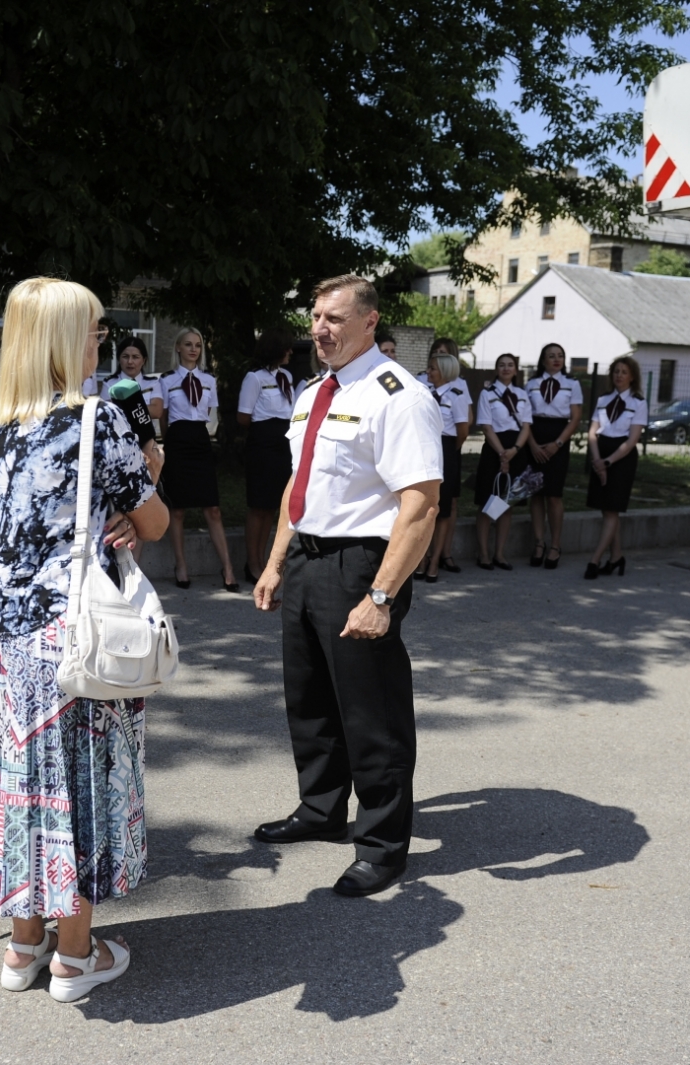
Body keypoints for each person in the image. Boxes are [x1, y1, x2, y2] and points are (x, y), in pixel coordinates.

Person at [0, 276, 168, 1002]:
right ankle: (76, 956)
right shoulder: (98, 420)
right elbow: (157, 519)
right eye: (93, 331)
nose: (100, 342)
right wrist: (147, 480)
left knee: (18, 787)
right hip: (68, 637)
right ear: (62, 340)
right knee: (74, 788)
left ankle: (24, 944)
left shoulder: (0, 420)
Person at [252, 274, 441, 899]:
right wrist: (277, 563)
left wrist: (382, 596)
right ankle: (322, 808)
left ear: (369, 322)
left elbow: (419, 505)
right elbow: (296, 488)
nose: (319, 329)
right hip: (308, 559)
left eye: (333, 318)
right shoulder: (313, 393)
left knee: (371, 709)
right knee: (309, 700)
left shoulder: (399, 396)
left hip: (362, 564)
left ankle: (384, 845)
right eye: (315, 317)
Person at [159, 327, 238, 591]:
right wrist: (169, 445)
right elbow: (164, 417)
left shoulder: (208, 380)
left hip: (200, 439)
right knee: (178, 509)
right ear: (178, 348)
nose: (194, 349)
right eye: (188, 344)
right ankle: (181, 566)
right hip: (177, 441)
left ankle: (227, 566)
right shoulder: (167, 380)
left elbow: (210, 414)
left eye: (198, 345)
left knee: (212, 508)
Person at [237, 329, 296, 582]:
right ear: (275, 349)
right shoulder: (254, 378)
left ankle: (263, 560)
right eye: (287, 347)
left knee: (272, 506)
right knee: (258, 506)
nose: (291, 352)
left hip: (284, 445)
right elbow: (243, 416)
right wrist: (266, 430)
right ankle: (252, 562)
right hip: (262, 444)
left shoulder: (288, 376)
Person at [584, 355, 647, 579]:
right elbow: (592, 432)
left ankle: (595, 559)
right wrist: (597, 460)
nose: (619, 375)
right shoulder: (603, 399)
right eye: (616, 371)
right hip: (599, 452)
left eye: (624, 372)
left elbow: (631, 441)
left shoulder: (638, 403)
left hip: (621, 458)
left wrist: (608, 462)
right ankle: (616, 558)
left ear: (632, 377)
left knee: (612, 509)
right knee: (607, 510)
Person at [525, 342, 583, 570]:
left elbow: (576, 418)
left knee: (554, 495)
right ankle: (539, 543)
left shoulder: (572, 384)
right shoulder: (532, 384)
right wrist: (532, 445)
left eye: (560, 356)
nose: (556, 359)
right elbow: (524, 417)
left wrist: (558, 443)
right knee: (536, 494)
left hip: (558, 438)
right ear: (543, 360)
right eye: (551, 356)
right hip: (535, 437)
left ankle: (555, 545)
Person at [472, 352, 533, 570]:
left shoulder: (523, 395)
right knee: (488, 503)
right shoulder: (487, 394)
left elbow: (526, 425)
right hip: (494, 449)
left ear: (516, 370)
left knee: (507, 504)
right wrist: (502, 454)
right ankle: (484, 554)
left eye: (510, 365)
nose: (506, 368)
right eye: (502, 365)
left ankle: (500, 554)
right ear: (497, 369)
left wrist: (514, 450)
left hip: (516, 449)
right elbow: (486, 427)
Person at [419, 351, 470, 582]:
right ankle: (420, 559)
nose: (428, 372)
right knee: (421, 508)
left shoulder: (457, 395)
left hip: (446, 449)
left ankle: (435, 561)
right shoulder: (423, 392)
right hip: (423, 449)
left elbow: (462, 431)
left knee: (442, 511)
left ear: (445, 372)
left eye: (433, 369)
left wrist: (448, 452)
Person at [82, 335, 163, 421]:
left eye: (135, 357)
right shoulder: (110, 383)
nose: (130, 361)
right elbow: (106, 412)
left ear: (143, 360)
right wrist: (141, 409)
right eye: (125, 356)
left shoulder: (152, 383)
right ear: (119, 359)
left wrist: (121, 406)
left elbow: (157, 411)